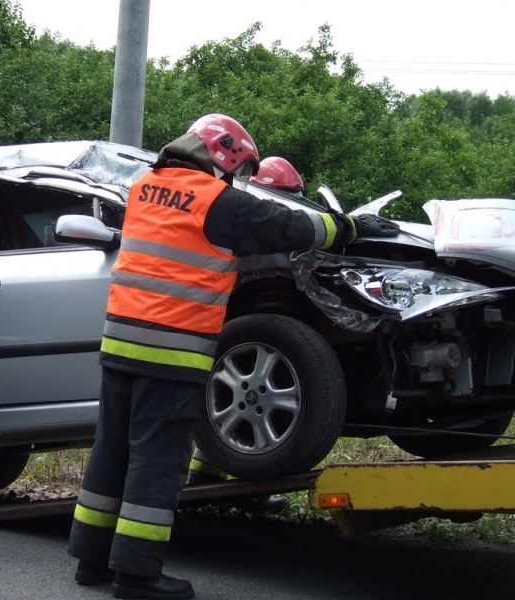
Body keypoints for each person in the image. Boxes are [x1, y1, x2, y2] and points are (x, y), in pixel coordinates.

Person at [67, 113, 399, 600]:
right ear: (223, 156)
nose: (237, 179)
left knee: (112, 450)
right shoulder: (215, 200)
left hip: (120, 344)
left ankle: (90, 560)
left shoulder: (144, 187)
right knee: (158, 461)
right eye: (239, 169)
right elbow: (288, 225)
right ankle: (137, 573)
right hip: (173, 349)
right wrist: (348, 226)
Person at [186, 153, 308, 512]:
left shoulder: (257, 218)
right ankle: (211, 481)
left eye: (293, 197)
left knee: (239, 410)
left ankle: (222, 483)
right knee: (234, 404)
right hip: (235, 337)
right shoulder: (241, 219)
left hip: (259, 342)